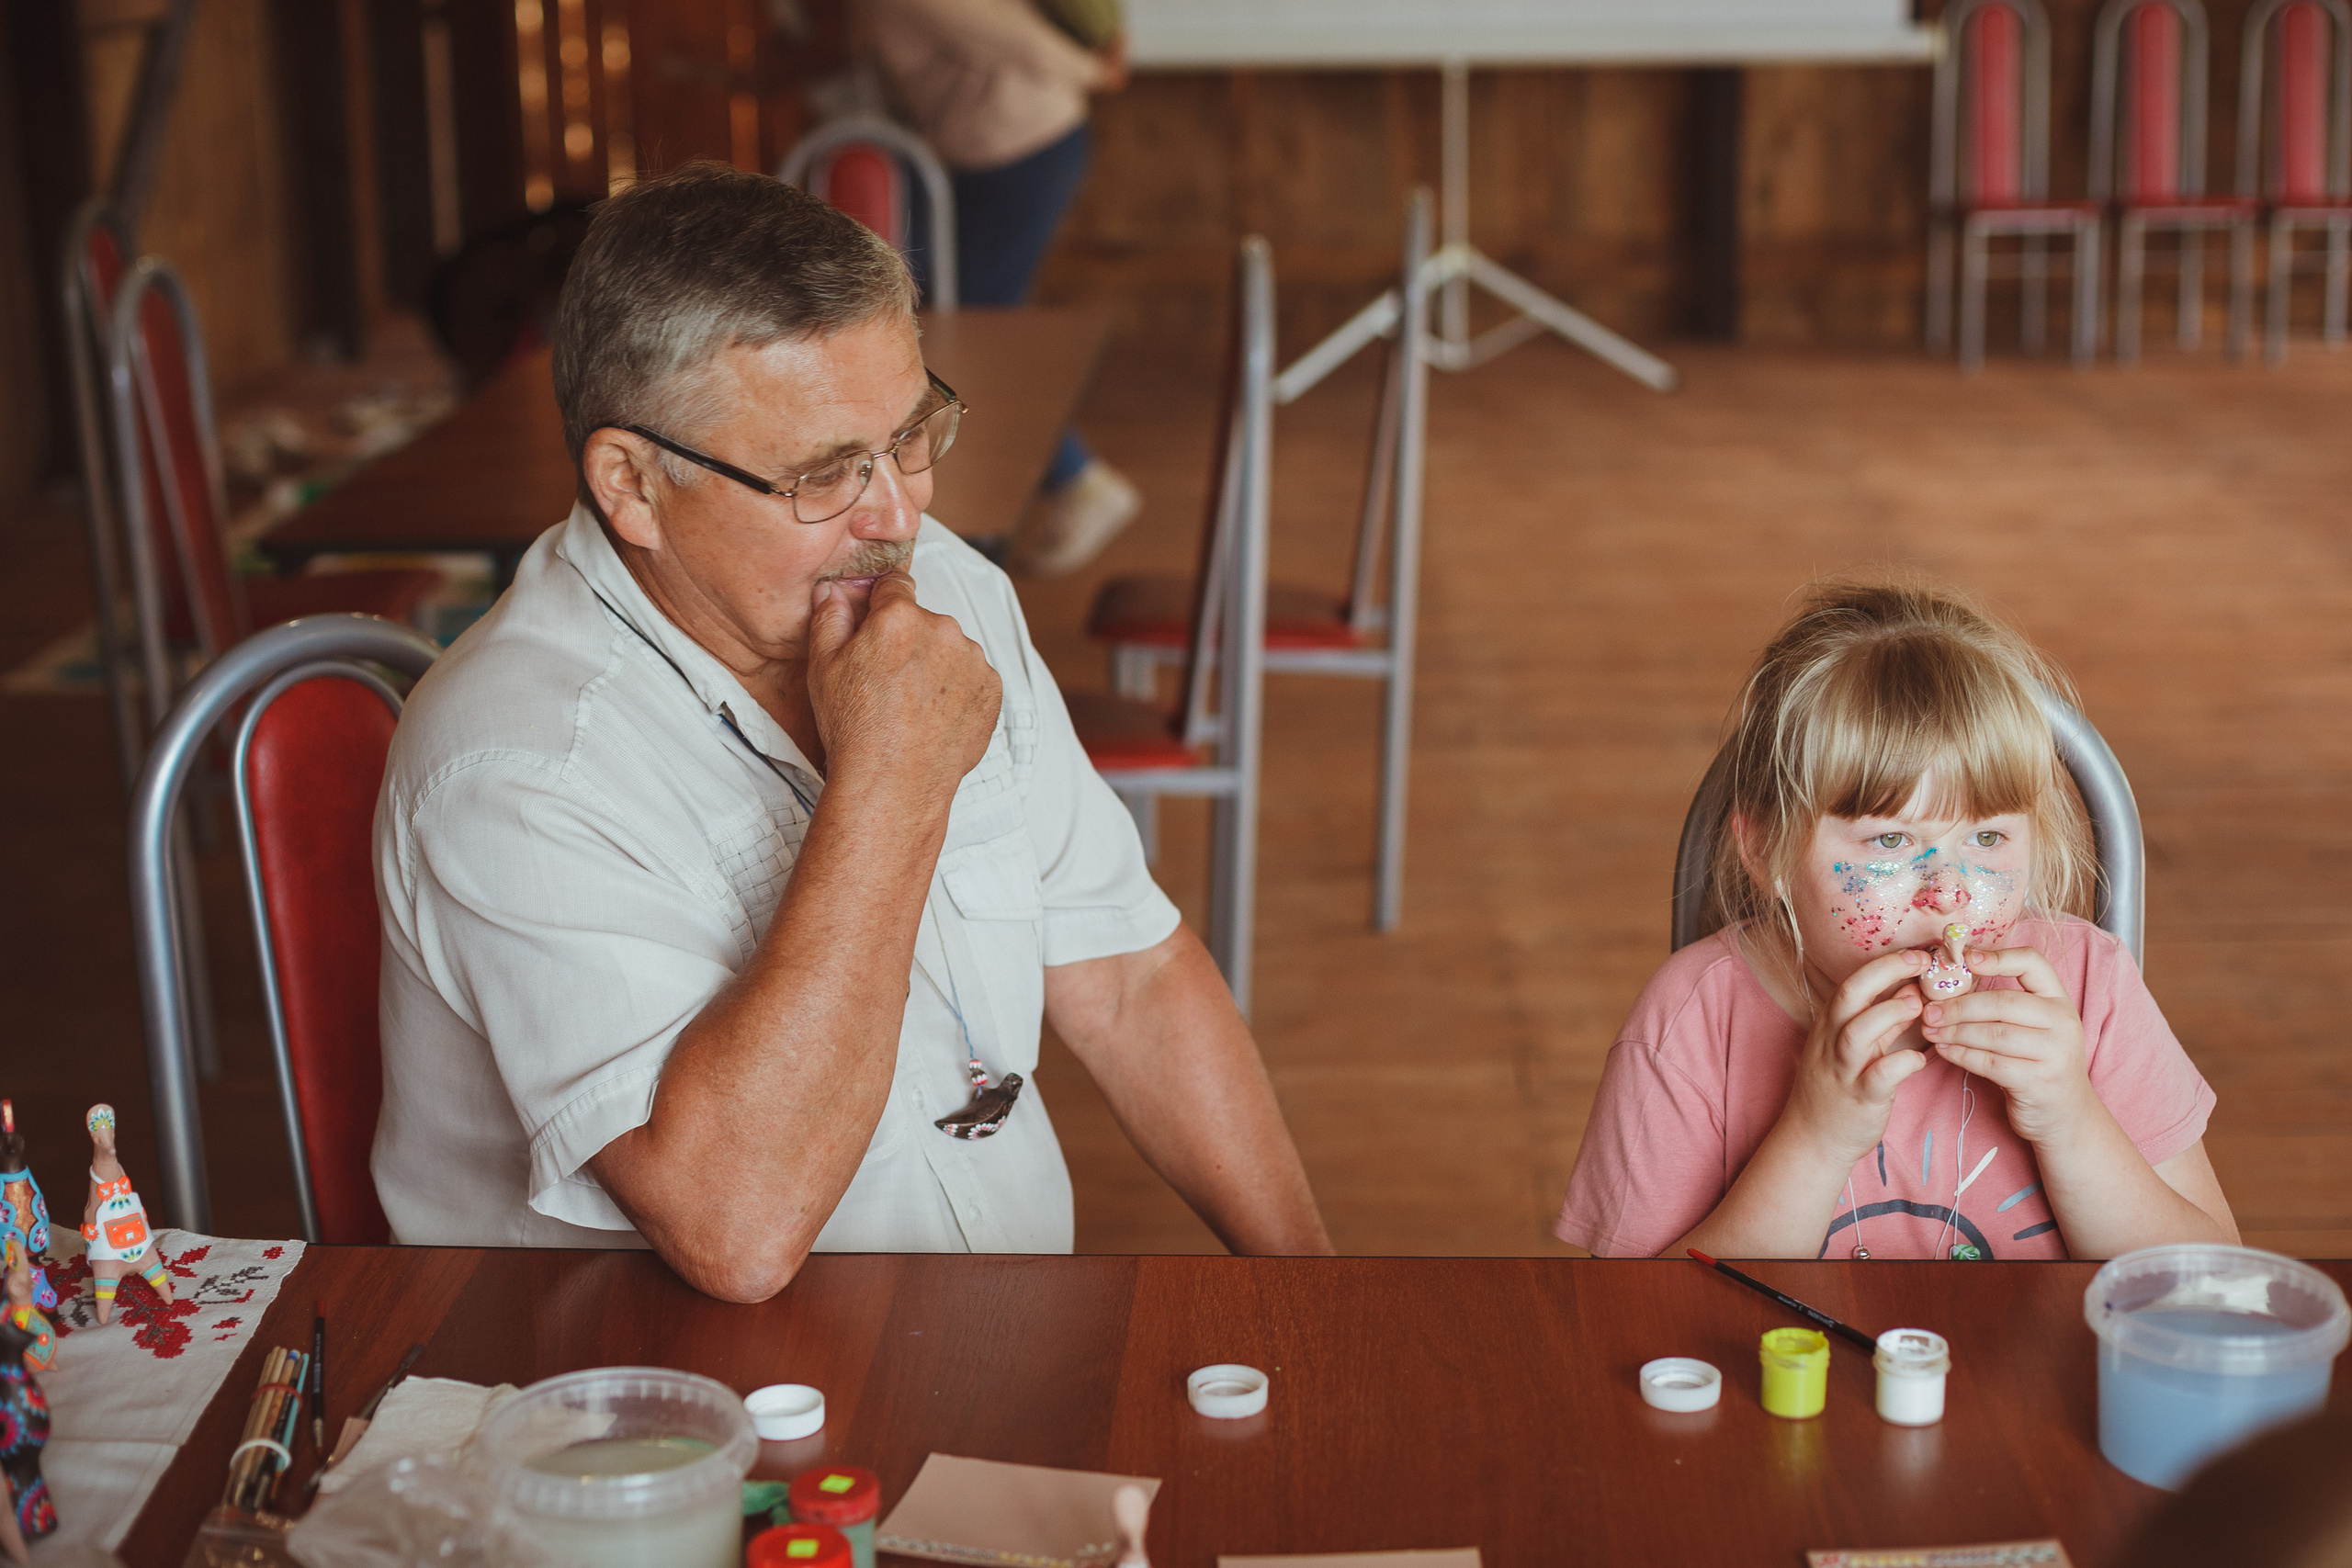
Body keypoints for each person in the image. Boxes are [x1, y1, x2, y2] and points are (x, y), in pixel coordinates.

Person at [373, 164, 1331, 1300]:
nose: (899, 514)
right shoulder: (516, 769)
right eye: (826, 473)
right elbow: (737, 1229)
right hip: (653, 1412)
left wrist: (1322, 1293)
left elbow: (1129, 972)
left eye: (911, 433)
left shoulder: (941, 587)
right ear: (631, 485)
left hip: (989, 1332)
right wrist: (890, 779)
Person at [1555, 581, 2237, 1260]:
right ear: (1763, 848)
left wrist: (2071, 1119)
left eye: (1989, 839)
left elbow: (2211, 1280)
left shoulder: (2090, 989)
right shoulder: (1691, 1021)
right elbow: (1640, 1320)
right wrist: (1816, 1137)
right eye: (1890, 842)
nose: (1948, 893)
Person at [862, 0, 1141, 576]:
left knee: (973, 334)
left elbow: (1020, 41)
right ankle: (1054, 486)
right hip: (992, 151)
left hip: (1021, 149)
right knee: (967, 328)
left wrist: (1097, 72)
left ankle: (1075, 481)